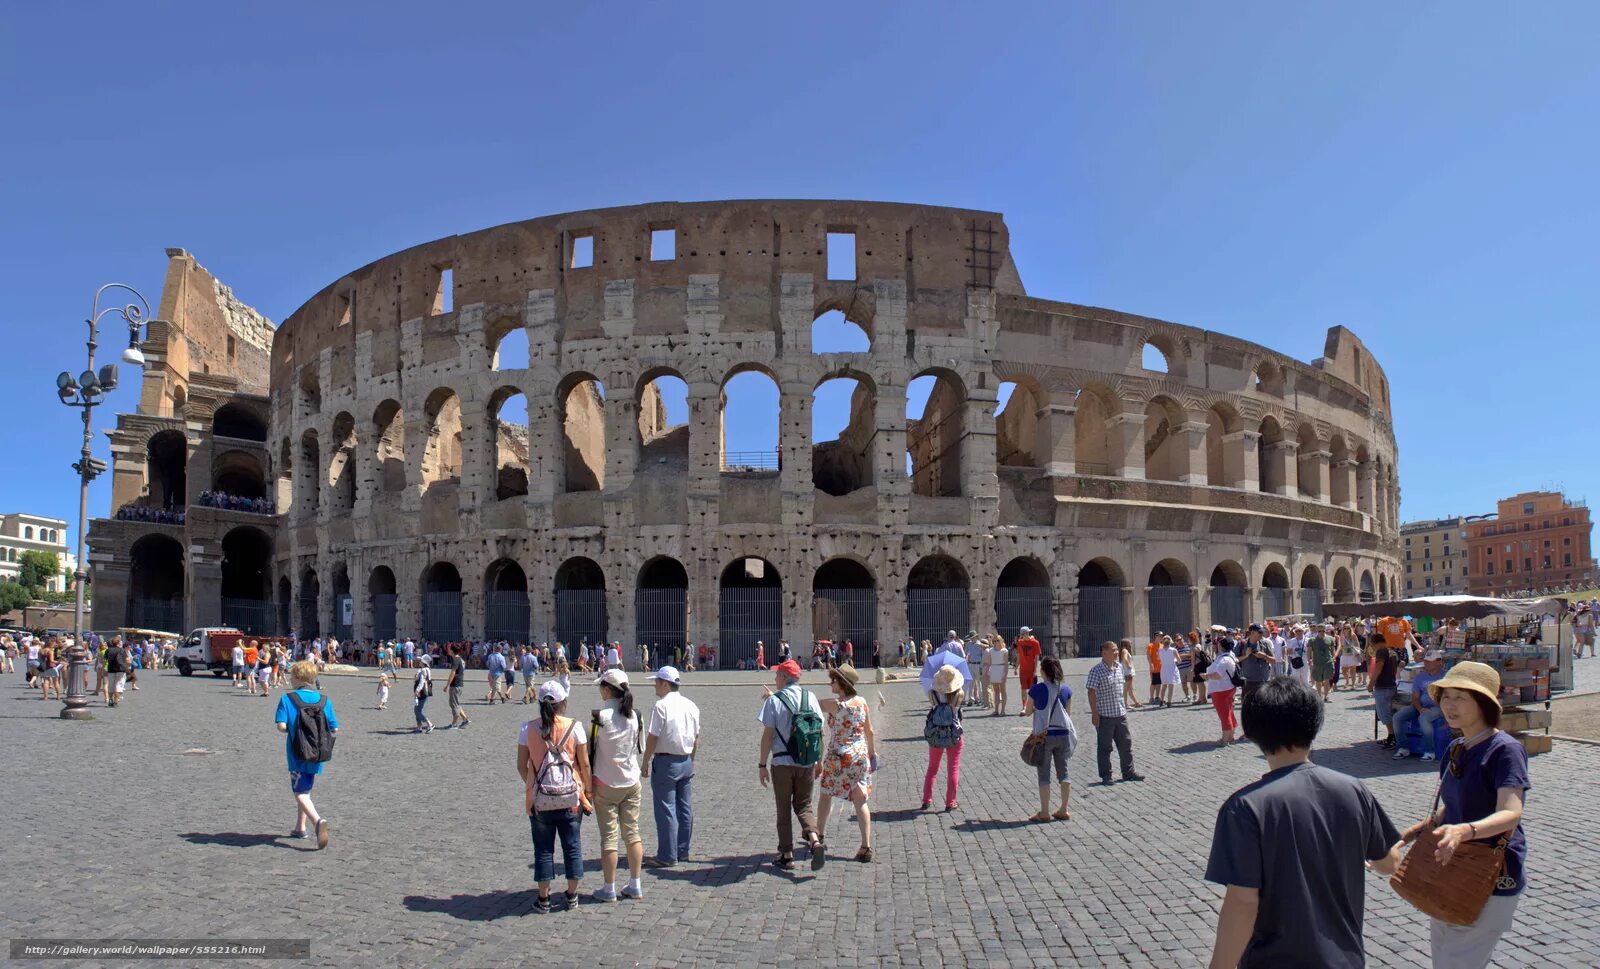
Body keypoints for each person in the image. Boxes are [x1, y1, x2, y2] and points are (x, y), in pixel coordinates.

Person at [1206, 677, 1401, 969]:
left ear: (1252, 732)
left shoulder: (1245, 807)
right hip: (1345, 959)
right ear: (1314, 725)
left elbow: (1243, 902)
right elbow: (1389, 863)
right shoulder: (1353, 789)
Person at [1393, 661, 1531, 968]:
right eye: (1446, 696)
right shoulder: (1457, 746)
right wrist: (1405, 836)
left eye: (1461, 698)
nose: (1449, 705)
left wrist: (1463, 831)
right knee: (1444, 958)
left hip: (1488, 871)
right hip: (1450, 866)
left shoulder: (1505, 750)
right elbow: (1450, 809)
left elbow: (1511, 812)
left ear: (1483, 703)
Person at [519, 680, 592, 913]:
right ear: (563, 703)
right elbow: (585, 764)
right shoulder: (575, 727)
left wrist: (535, 785)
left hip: (540, 799)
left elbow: (522, 765)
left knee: (543, 848)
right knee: (572, 846)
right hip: (571, 796)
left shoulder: (528, 729)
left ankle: (544, 899)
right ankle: (571, 895)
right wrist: (587, 792)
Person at [756, 659, 824, 870]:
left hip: (782, 762)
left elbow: (768, 735)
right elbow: (820, 731)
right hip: (806, 762)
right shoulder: (810, 697)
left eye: (777, 675)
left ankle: (786, 854)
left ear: (784, 678)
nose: (775, 678)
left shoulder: (774, 700)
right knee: (804, 806)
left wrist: (761, 764)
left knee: (783, 809)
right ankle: (814, 840)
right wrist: (819, 761)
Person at [588, 669, 645, 901]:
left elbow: (590, 751)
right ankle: (635, 884)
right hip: (631, 781)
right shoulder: (636, 716)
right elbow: (639, 747)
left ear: (606, 689)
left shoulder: (597, 718)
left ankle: (609, 888)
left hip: (606, 783)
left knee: (609, 838)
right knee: (632, 834)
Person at [274, 660, 339, 849]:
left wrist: (295, 731)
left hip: (297, 753)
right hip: (318, 753)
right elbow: (335, 728)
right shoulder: (325, 700)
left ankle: (317, 822)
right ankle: (300, 827)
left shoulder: (288, 699)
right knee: (306, 789)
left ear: (297, 677)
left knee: (299, 792)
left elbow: (281, 726)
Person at [815, 665, 877, 862]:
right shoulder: (862, 702)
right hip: (859, 756)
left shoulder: (835, 705)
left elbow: (809, 705)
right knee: (861, 801)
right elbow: (870, 731)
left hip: (838, 756)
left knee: (826, 794)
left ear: (841, 684)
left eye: (833, 680)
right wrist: (872, 754)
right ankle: (866, 846)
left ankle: (820, 836)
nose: (830, 683)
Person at [641, 665, 699, 869]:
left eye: (656, 682)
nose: (655, 686)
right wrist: (691, 759)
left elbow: (652, 737)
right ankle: (683, 850)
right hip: (686, 760)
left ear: (665, 684)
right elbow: (696, 738)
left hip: (666, 762)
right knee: (685, 808)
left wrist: (645, 760)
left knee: (666, 808)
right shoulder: (691, 705)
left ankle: (667, 854)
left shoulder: (661, 706)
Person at [1084, 641, 1143, 785]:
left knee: (1126, 745)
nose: (1117, 653)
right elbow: (1091, 692)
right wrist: (1094, 713)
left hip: (1120, 714)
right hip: (1105, 716)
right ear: (1104, 653)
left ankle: (1128, 772)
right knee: (1105, 747)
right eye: (1114, 650)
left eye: (1117, 650)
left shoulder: (1119, 668)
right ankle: (1106, 775)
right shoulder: (1096, 671)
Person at [1026, 656, 1077, 822]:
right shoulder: (1066, 689)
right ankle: (1064, 808)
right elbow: (1068, 714)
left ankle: (1045, 812)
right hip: (1063, 734)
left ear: (1043, 671)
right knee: (1064, 771)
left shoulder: (1037, 689)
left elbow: (1027, 711)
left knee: (1044, 774)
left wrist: (1035, 709)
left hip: (1045, 736)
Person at [921, 664, 965, 811]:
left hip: (935, 733)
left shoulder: (932, 694)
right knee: (953, 768)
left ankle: (926, 799)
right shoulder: (959, 694)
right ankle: (950, 801)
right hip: (953, 732)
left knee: (932, 768)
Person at [1392, 649, 1447, 761]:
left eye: (1430, 661)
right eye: (1426, 661)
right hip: (1421, 706)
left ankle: (1429, 751)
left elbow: (1448, 697)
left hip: (1439, 707)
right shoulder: (1420, 677)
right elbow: (1415, 697)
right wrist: (1420, 708)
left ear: (1439, 662)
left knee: (1424, 718)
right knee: (1397, 717)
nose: (1427, 663)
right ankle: (1403, 747)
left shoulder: (1446, 677)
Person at [1204, 644, 1242, 744]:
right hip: (1227, 688)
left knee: (1224, 714)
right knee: (1229, 712)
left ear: (1221, 646)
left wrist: (1206, 676)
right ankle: (1231, 735)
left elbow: (1218, 675)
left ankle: (1225, 739)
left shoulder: (1224, 660)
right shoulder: (1230, 656)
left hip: (1221, 689)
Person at [1371, 634, 1401, 749]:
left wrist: (1371, 683)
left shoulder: (1381, 651)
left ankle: (1392, 736)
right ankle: (1391, 736)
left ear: (1374, 643)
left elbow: (1379, 667)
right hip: (1391, 686)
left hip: (1383, 687)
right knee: (1390, 713)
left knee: (1384, 713)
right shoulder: (1392, 652)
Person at [1238, 624, 1274, 701]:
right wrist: (1246, 656)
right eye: (1260, 632)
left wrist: (1264, 656)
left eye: (1262, 632)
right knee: (1248, 708)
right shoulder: (1242, 644)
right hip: (1248, 682)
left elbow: (1273, 660)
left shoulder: (1265, 643)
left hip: (1263, 681)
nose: (1262, 634)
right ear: (1252, 632)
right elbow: (1234, 660)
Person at [1014, 626, 1040, 716]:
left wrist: (1035, 670)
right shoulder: (1020, 643)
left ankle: (1033, 706)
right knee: (1023, 689)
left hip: (1032, 669)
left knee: (1033, 689)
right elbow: (1019, 656)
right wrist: (1016, 667)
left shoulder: (1035, 642)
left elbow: (1037, 657)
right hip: (1023, 670)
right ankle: (1024, 707)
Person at [1308, 622, 1337, 702]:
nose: (1321, 633)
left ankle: (1326, 696)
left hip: (1328, 662)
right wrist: (1309, 659)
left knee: (1327, 680)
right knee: (1318, 681)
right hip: (1317, 663)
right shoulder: (1312, 640)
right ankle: (1320, 696)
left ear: (1325, 631)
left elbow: (1333, 650)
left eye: (1323, 631)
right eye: (1319, 631)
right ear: (1317, 631)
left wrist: (1334, 658)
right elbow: (1309, 651)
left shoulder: (1330, 638)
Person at [443, 645, 470, 730]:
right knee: (456, 703)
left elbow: (453, 673)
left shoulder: (456, 660)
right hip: (459, 684)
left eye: (449, 649)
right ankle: (465, 719)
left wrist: (447, 685)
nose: (448, 650)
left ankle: (454, 724)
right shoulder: (461, 659)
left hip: (455, 684)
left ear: (452, 650)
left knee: (454, 704)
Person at [983, 634, 1009, 715]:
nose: (996, 642)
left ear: (1001, 641)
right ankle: (996, 710)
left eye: (997, 640)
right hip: (994, 670)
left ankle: (1003, 710)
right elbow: (989, 662)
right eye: (994, 641)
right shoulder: (991, 650)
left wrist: (1005, 675)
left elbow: (1006, 664)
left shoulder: (1005, 651)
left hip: (1001, 670)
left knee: (1002, 690)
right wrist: (987, 672)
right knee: (996, 691)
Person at [104, 637, 131, 708]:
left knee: (111, 684)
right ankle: (116, 701)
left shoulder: (108, 650)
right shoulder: (121, 650)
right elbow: (127, 660)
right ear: (118, 643)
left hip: (110, 669)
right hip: (120, 669)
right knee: (118, 685)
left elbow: (105, 659)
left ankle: (110, 700)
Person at [1118, 639, 1143, 709]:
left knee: (1130, 689)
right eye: (1129, 642)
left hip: (1126, 672)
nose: (1131, 644)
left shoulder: (1123, 650)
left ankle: (1136, 703)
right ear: (1126, 643)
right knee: (1126, 689)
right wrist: (1129, 665)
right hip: (1127, 672)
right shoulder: (1125, 651)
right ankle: (1125, 704)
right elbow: (1125, 658)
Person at [412, 656, 434, 733]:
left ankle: (429, 724)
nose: (419, 661)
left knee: (418, 710)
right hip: (423, 692)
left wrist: (417, 691)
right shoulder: (425, 669)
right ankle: (419, 727)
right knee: (416, 709)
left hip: (422, 692)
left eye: (421, 661)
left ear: (424, 662)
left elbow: (422, 682)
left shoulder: (424, 670)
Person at [1157, 635, 1180, 707]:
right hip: (1171, 668)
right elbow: (1179, 660)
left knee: (1164, 685)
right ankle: (1169, 702)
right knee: (1170, 686)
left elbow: (1158, 659)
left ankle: (1161, 700)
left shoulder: (1160, 650)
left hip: (1164, 668)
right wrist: (1174, 660)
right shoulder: (1173, 650)